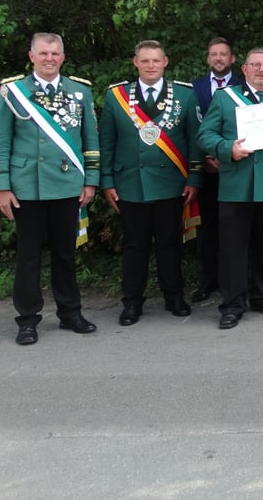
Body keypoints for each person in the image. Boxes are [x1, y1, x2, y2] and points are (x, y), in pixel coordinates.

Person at [0, 32, 100, 345]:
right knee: (28, 257)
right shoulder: (13, 92)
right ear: (32, 56)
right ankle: (27, 320)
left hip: (68, 185)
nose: (49, 58)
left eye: (55, 54)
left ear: (63, 57)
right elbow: (1, 143)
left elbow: (90, 141)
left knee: (66, 254)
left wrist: (91, 180)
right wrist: (2, 185)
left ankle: (70, 313)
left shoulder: (80, 92)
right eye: (43, 53)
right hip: (28, 188)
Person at [197, 47, 263, 329]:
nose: (261, 71)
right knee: (233, 248)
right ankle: (232, 304)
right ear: (244, 69)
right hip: (237, 184)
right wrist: (226, 149)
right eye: (255, 65)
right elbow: (204, 135)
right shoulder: (225, 98)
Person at [100, 40, 204, 326]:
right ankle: (132, 302)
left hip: (171, 183)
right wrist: (107, 181)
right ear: (135, 62)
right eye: (145, 61)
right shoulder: (116, 96)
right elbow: (107, 143)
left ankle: (174, 297)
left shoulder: (184, 95)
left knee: (170, 244)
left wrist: (194, 177)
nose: (150, 66)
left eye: (155, 60)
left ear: (165, 62)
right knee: (135, 246)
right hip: (130, 184)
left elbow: (195, 141)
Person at [189, 37, 242, 302]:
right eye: (214, 55)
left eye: (224, 54)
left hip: (237, 166)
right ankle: (207, 281)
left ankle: (236, 282)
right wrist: (205, 160)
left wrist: (225, 154)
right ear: (208, 59)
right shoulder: (193, 88)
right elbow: (191, 129)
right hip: (206, 168)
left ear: (233, 59)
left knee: (236, 229)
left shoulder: (243, 86)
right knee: (207, 229)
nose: (219, 58)